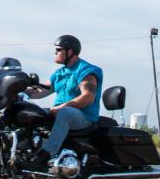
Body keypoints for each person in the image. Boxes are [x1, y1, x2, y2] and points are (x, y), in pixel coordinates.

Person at [23, 34, 102, 170]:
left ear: (70, 51)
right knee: (31, 113)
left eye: (59, 50)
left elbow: (88, 96)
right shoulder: (60, 73)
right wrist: (19, 89)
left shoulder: (86, 70)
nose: (55, 52)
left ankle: (45, 156)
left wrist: (61, 107)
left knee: (65, 113)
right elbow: (41, 91)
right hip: (62, 112)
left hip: (84, 116)